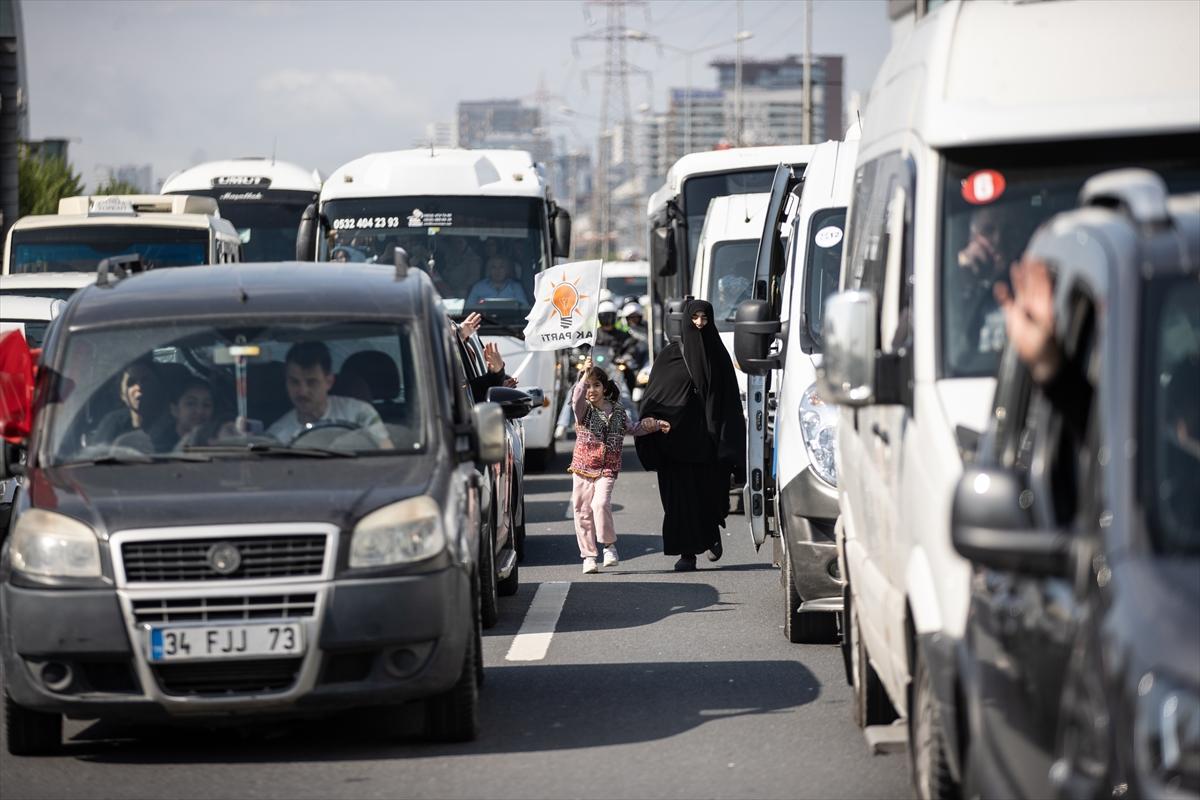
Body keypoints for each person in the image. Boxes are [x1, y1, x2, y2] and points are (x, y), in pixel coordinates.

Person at [636, 299, 746, 571]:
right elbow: (654, 395)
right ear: (686, 320)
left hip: (707, 443)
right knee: (679, 502)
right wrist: (653, 422)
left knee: (707, 496)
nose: (699, 323)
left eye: (704, 318)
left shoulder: (717, 354)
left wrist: (728, 440)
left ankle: (710, 535)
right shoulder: (670, 356)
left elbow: (728, 400)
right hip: (674, 443)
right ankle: (687, 553)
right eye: (694, 317)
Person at [569, 358, 669, 574]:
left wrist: (654, 425)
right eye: (588, 386)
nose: (592, 390)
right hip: (582, 468)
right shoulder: (582, 411)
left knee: (600, 504)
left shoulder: (618, 411)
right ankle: (589, 556)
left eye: (596, 385)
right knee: (582, 511)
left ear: (605, 388)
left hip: (607, 468)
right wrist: (583, 376)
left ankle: (608, 546)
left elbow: (633, 428)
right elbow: (576, 398)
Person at [267, 341, 392, 448]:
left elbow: (387, 456)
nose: (302, 391)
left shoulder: (361, 415)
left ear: (329, 382)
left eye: (311, 382)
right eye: (294, 382)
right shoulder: (276, 437)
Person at [90, 359, 167, 445]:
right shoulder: (111, 423)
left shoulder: (172, 426)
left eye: (145, 381)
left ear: (157, 387)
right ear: (122, 395)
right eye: (131, 383)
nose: (139, 387)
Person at [464, 254, 530, 307]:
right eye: (494, 267)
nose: (497, 271)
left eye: (501, 267)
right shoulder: (478, 287)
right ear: (489, 270)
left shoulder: (516, 287)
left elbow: (525, 308)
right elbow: (469, 308)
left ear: (507, 269)